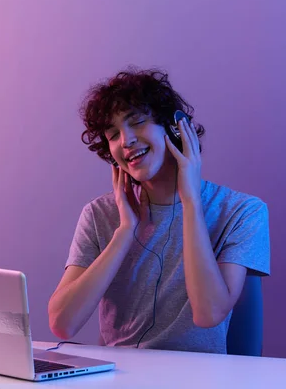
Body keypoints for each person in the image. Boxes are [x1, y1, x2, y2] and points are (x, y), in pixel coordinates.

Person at [48, 67, 270, 354]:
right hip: (120, 379)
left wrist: (190, 202)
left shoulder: (241, 211)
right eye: (113, 134)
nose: (125, 140)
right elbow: (62, 323)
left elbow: (208, 314)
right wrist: (125, 232)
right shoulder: (99, 214)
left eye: (137, 122)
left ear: (176, 129)